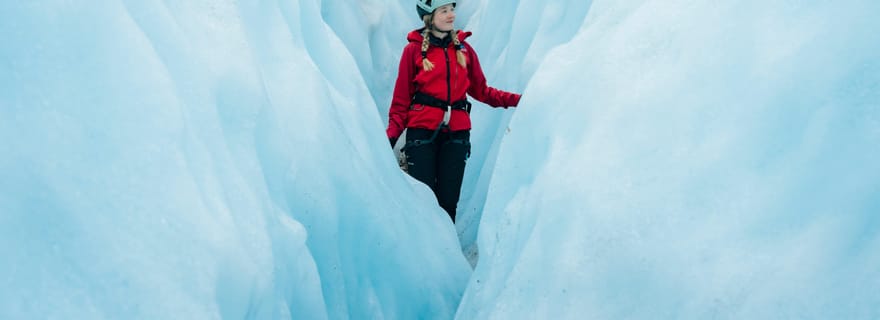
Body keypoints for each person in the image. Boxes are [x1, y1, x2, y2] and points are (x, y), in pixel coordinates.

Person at [386, 0, 521, 222]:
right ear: (429, 17)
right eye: (444, 11)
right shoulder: (412, 51)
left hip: (457, 135)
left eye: (452, 10)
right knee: (424, 202)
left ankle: (444, 254)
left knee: (448, 202)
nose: (451, 15)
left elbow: (483, 91)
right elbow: (401, 101)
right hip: (421, 135)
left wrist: (519, 101)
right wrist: (390, 136)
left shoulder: (465, 50)